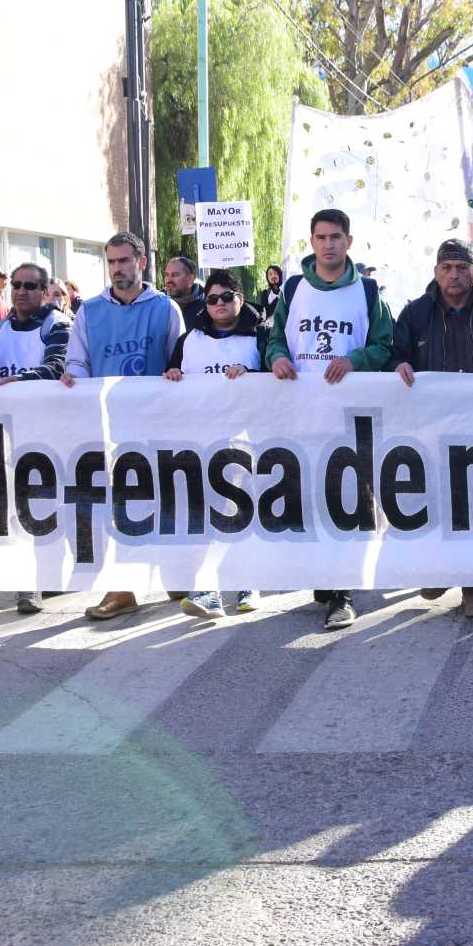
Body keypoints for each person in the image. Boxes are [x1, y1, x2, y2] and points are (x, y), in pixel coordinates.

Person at [267, 209, 395, 630]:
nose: (328, 244)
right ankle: (325, 577)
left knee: (347, 501)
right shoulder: (293, 289)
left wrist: (354, 360)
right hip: (303, 415)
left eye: (336, 237)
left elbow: (383, 344)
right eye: (321, 237)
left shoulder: (368, 290)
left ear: (349, 242)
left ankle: (342, 592)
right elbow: (274, 338)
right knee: (310, 499)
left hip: (349, 416)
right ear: (312, 241)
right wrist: (278, 358)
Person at [391, 239, 473, 619]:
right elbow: (396, 354)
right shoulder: (415, 313)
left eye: (461, 267)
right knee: (438, 503)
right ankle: (440, 569)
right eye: (446, 267)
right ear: (435, 272)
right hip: (433, 425)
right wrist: (398, 364)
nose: (454, 274)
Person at [63, 230, 186, 621]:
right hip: (109, 427)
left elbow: (178, 360)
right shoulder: (89, 311)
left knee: (165, 498)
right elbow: (78, 361)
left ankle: (174, 573)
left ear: (141, 263)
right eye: (111, 262)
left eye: (123, 261)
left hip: (157, 425)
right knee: (120, 506)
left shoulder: (166, 308)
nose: (116, 269)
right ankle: (122, 588)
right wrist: (72, 377)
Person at [164, 269, 264, 619]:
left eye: (226, 297)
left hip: (245, 440)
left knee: (241, 513)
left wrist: (252, 377)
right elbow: (172, 378)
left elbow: (277, 384)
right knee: (210, 516)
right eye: (211, 299)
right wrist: (173, 376)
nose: (218, 304)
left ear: (240, 298)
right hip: (201, 440)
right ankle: (208, 589)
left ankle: (246, 583)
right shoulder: (189, 340)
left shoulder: (260, 337)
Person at [0, 261, 71, 614]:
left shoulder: (57, 325)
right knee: (17, 508)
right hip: (8, 431)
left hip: (49, 430)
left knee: (46, 505)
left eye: (30, 286)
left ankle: (45, 577)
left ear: (43, 291)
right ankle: (29, 579)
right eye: (16, 285)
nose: (21, 291)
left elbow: (57, 365)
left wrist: (24, 381)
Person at [164, 254, 208, 329]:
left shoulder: (207, 306)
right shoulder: (158, 304)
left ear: (190, 279)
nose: (169, 280)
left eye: (175, 275)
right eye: (167, 275)